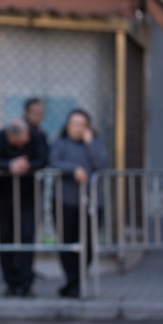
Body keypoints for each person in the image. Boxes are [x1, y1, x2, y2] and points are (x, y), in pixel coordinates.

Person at [49, 109, 108, 298]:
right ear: (67, 126)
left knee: (88, 243)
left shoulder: (94, 143)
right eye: (74, 124)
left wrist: (90, 143)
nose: (77, 128)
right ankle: (72, 281)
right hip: (65, 201)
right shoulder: (60, 143)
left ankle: (78, 280)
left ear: (87, 127)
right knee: (67, 242)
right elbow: (54, 161)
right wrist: (73, 169)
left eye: (81, 124)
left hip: (91, 203)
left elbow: (102, 164)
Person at [0, 119, 47, 297]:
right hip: (4, 196)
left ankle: (26, 283)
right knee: (5, 238)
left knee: (26, 237)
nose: (23, 143)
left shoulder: (36, 137)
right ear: (9, 136)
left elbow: (44, 158)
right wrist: (10, 165)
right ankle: (10, 283)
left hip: (29, 196)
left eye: (25, 138)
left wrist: (28, 165)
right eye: (18, 141)